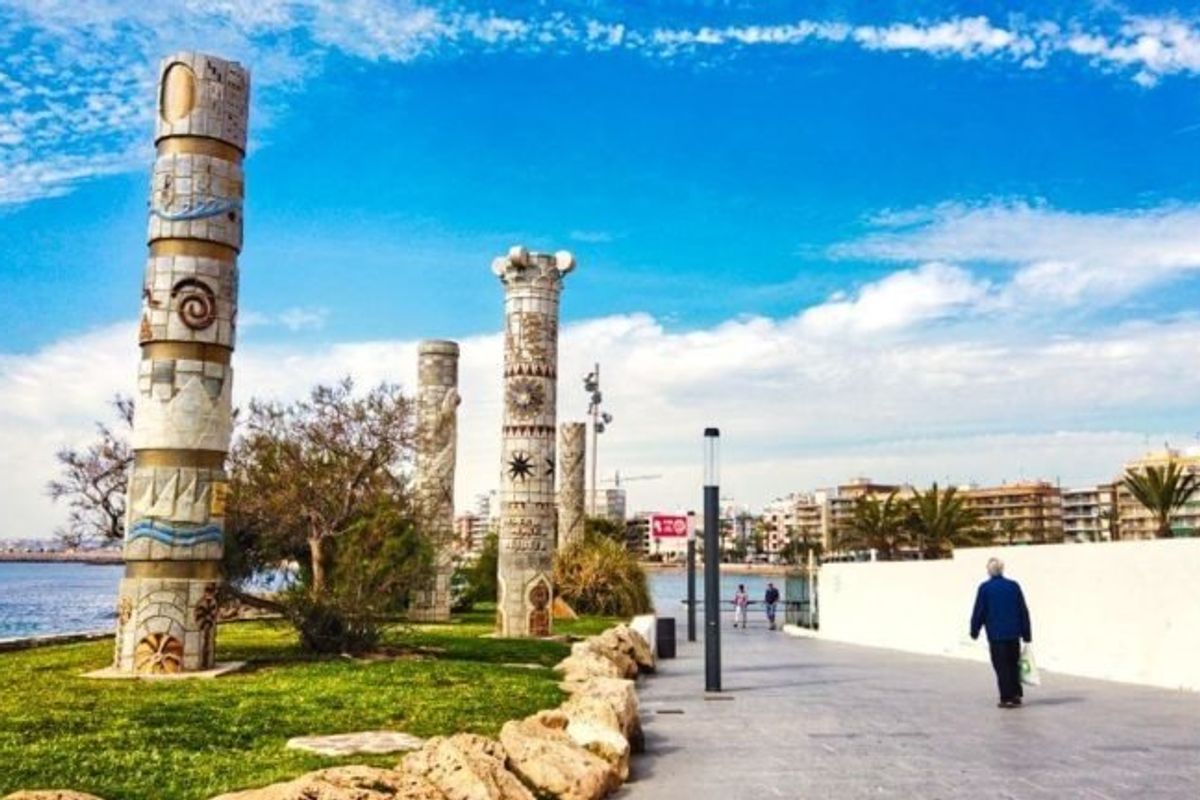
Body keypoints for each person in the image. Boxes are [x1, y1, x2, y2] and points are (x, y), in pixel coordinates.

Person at [970, 557, 1032, 709]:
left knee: (1001, 666)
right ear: (1002, 569)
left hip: (996, 635)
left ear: (989, 571)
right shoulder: (1013, 586)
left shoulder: (985, 588)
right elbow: (1022, 610)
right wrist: (1026, 633)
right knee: (1013, 663)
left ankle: (1007, 697)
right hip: (1013, 634)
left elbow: (980, 611)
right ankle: (1016, 694)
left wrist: (974, 630)